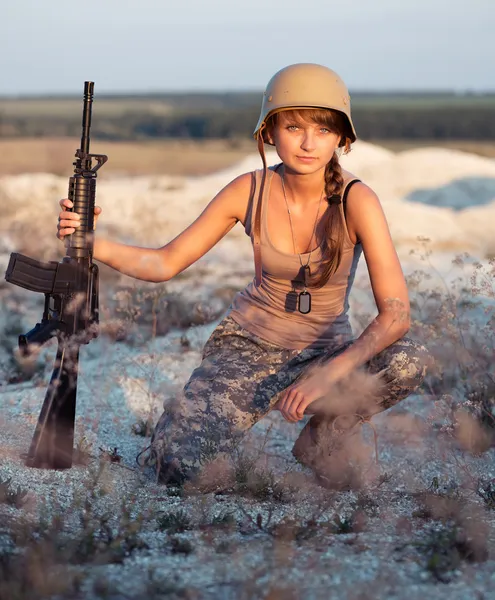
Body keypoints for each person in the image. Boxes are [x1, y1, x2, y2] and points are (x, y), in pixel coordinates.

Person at [57, 63, 430, 489]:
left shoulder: (357, 199)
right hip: (247, 350)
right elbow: (165, 263)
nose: (308, 143)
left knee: (407, 360)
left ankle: (323, 439)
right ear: (269, 132)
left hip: (325, 354)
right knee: (177, 469)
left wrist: (328, 374)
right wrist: (93, 244)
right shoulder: (247, 190)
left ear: (342, 139)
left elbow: (396, 315)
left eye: (323, 131)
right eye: (294, 127)